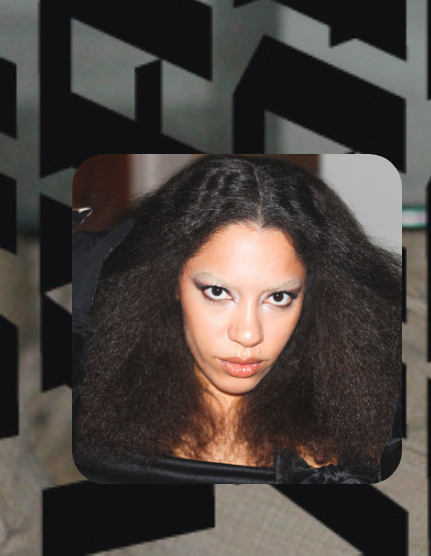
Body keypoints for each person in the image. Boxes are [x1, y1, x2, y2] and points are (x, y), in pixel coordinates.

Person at [71, 155, 404, 484]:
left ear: (314, 293)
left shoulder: (371, 435)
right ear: (169, 281)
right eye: (217, 292)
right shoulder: (83, 416)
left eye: (278, 298)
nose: (248, 334)